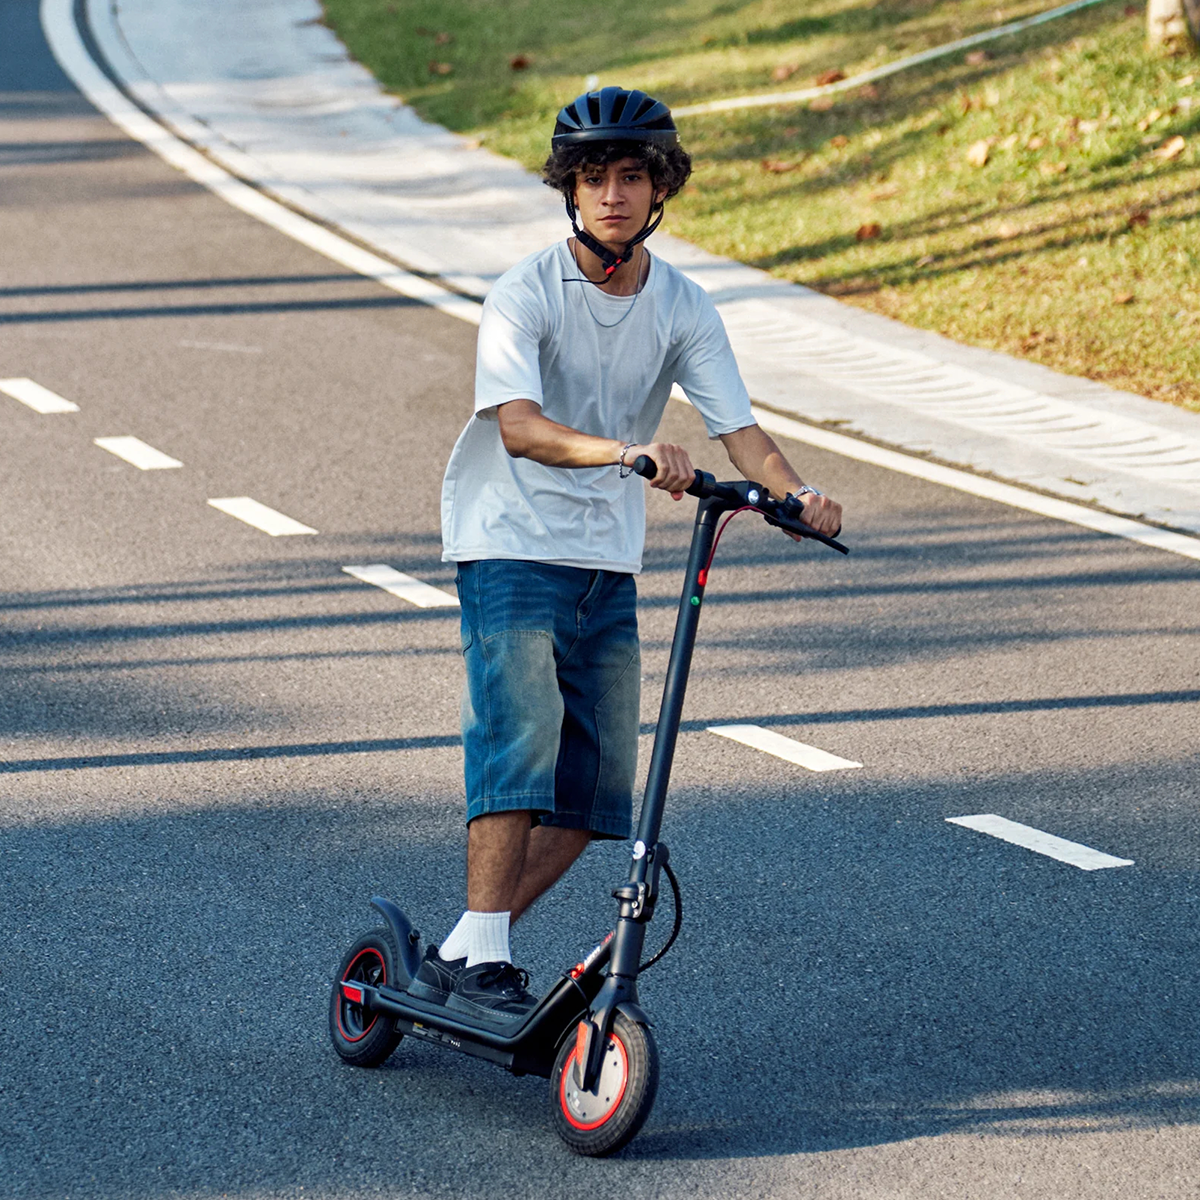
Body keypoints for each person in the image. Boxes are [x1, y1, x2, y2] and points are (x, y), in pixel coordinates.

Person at [410, 87, 843, 1022]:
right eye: (595, 177)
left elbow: (740, 429)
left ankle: (461, 949)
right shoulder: (524, 293)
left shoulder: (682, 304)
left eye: (632, 177)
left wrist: (795, 494)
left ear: (660, 190)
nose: (613, 194)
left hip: (605, 561)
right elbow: (519, 428)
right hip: (508, 540)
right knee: (522, 741)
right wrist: (627, 452)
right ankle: (484, 956)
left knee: (596, 793)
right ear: (569, 189)